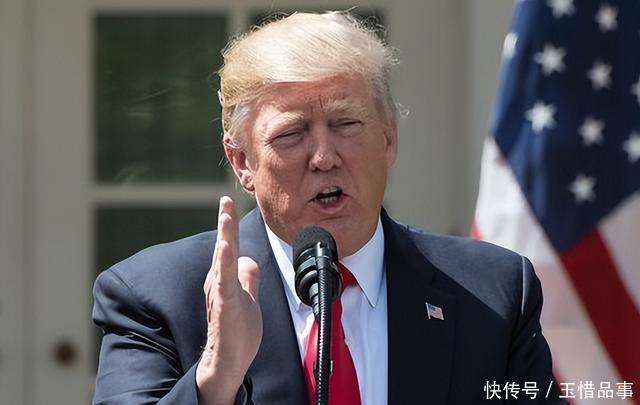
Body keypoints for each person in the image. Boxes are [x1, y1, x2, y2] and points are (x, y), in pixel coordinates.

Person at [92, 11, 563, 405]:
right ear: (242, 161)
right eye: (291, 134)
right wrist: (216, 377)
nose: (323, 157)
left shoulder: (494, 290)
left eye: (346, 124)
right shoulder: (155, 295)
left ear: (389, 137)